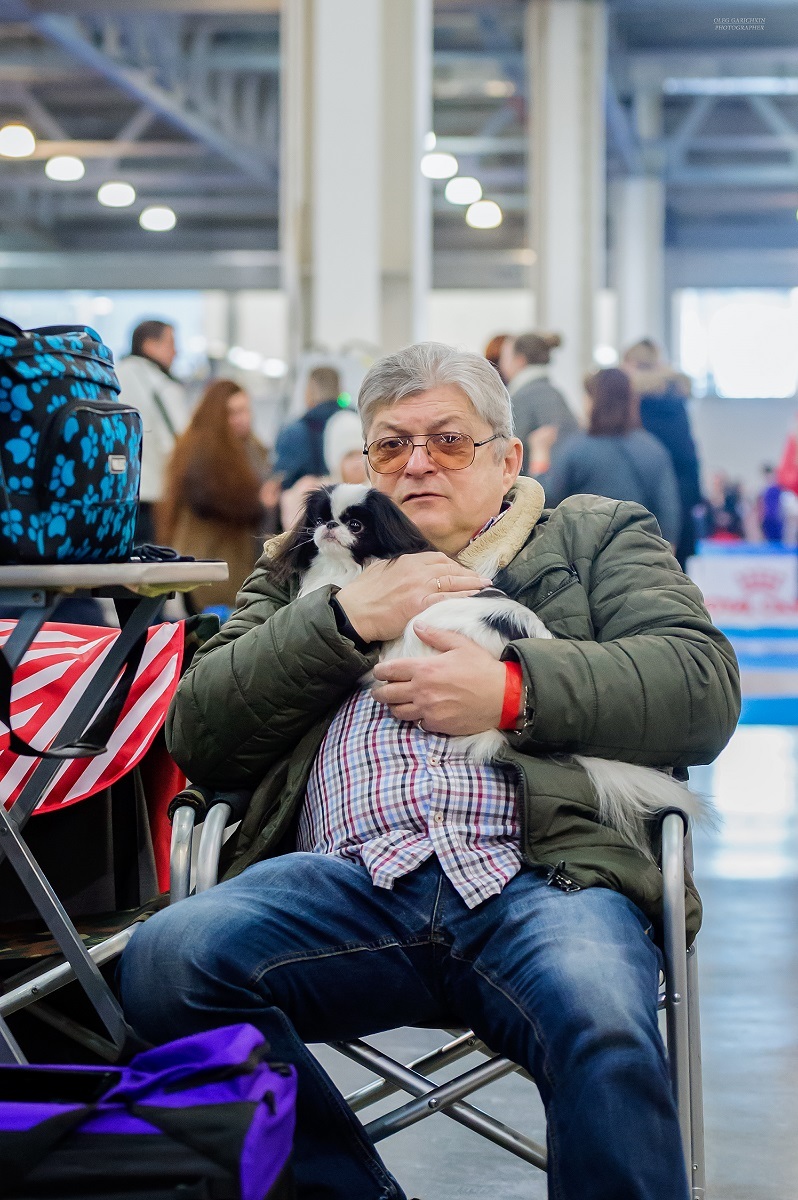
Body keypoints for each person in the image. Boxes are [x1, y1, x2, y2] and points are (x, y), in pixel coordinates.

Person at [119, 342, 740, 1200]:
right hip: (341, 883)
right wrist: (342, 618)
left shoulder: (595, 535)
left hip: (544, 877)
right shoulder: (299, 564)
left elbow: (700, 687)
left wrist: (513, 691)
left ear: (508, 457)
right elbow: (200, 730)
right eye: (390, 445)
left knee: (602, 1014)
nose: (416, 464)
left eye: (449, 441)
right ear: (362, 461)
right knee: (166, 961)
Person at [157, 379, 278, 611]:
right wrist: (259, 503)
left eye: (245, 410)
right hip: (210, 562)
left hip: (241, 560)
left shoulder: (253, 449)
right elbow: (210, 499)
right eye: (233, 412)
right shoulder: (202, 451)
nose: (242, 418)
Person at [535, 367, 682, 548]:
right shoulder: (653, 449)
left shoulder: (577, 449)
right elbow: (668, 516)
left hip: (583, 560)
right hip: (639, 558)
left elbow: (546, 500)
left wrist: (539, 453)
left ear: (594, 402)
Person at [622, 339, 702, 570]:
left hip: (645, 506)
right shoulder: (676, 400)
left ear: (632, 363)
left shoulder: (636, 404)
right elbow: (690, 458)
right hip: (681, 502)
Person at [116, 319, 188, 545]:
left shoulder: (112, 377)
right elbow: (182, 440)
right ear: (149, 345)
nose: (176, 351)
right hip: (152, 496)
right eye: (171, 343)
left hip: (114, 494)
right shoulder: (162, 385)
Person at [498, 331, 579, 472]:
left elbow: (508, 454)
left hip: (540, 488)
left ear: (520, 360)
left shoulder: (522, 397)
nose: (500, 363)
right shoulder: (555, 393)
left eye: (504, 357)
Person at [274, 365, 347, 488]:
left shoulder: (293, 432)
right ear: (339, 390)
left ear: (309, 392)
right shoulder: (355, 423)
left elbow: (282, 481)